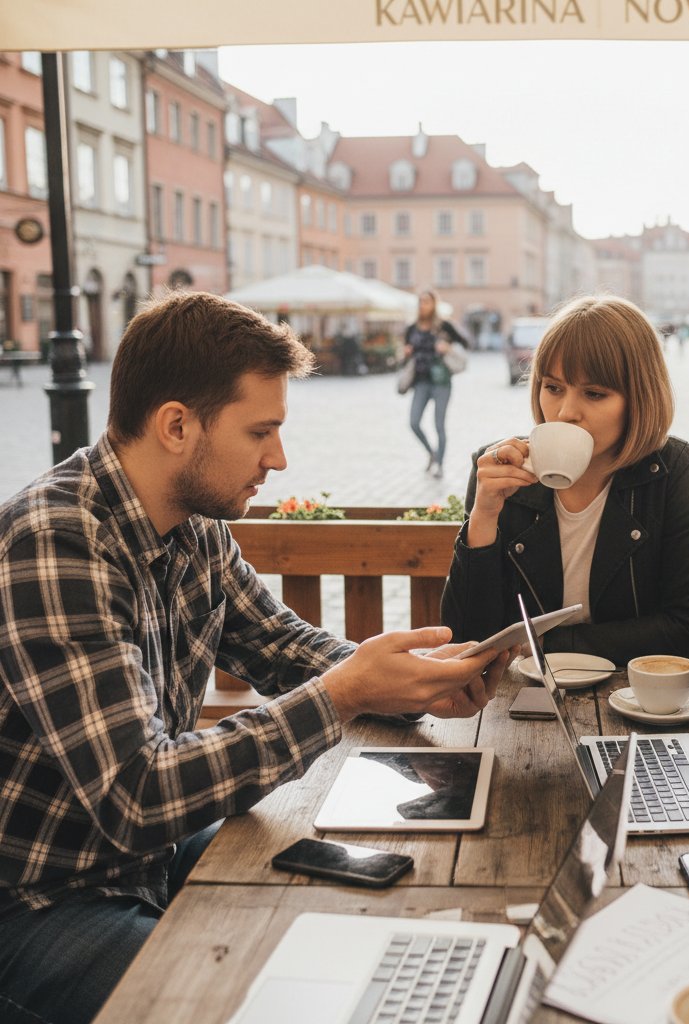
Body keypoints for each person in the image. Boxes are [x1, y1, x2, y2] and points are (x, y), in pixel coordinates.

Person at [0, 290, 509, 1024]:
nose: (279, 457)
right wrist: (342, 695)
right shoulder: (56, 543)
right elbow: (138, 794)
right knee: (255, 1001)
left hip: (141, 861)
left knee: (355, 890)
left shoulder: (191, 522)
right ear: (177, 425)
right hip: (40, 898)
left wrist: (409, 684)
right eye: (260, 431)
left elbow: (284, 646)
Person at [441, 295, 689, 668]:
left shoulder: (668, 470)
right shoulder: (502, 472)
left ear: (638, 398)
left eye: (594, 394)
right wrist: (483, 519)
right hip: (516, 705)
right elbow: (466, 639)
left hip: (635, 700)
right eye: (553, 387)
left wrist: (554, 643)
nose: (566, 412)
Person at [403, 289, 469, 479]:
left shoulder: (445, 326)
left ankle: (439, 464)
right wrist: (406, 352)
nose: (423, 305)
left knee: (439, 425)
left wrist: (448, 348)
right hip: (420, 382)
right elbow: (405, 353)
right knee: (414, 422)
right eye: (420, 302)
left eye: (427, 301)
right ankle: (431, 452)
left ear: (434, 304)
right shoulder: (412, 328)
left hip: (441, 382)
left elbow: (466, 343)